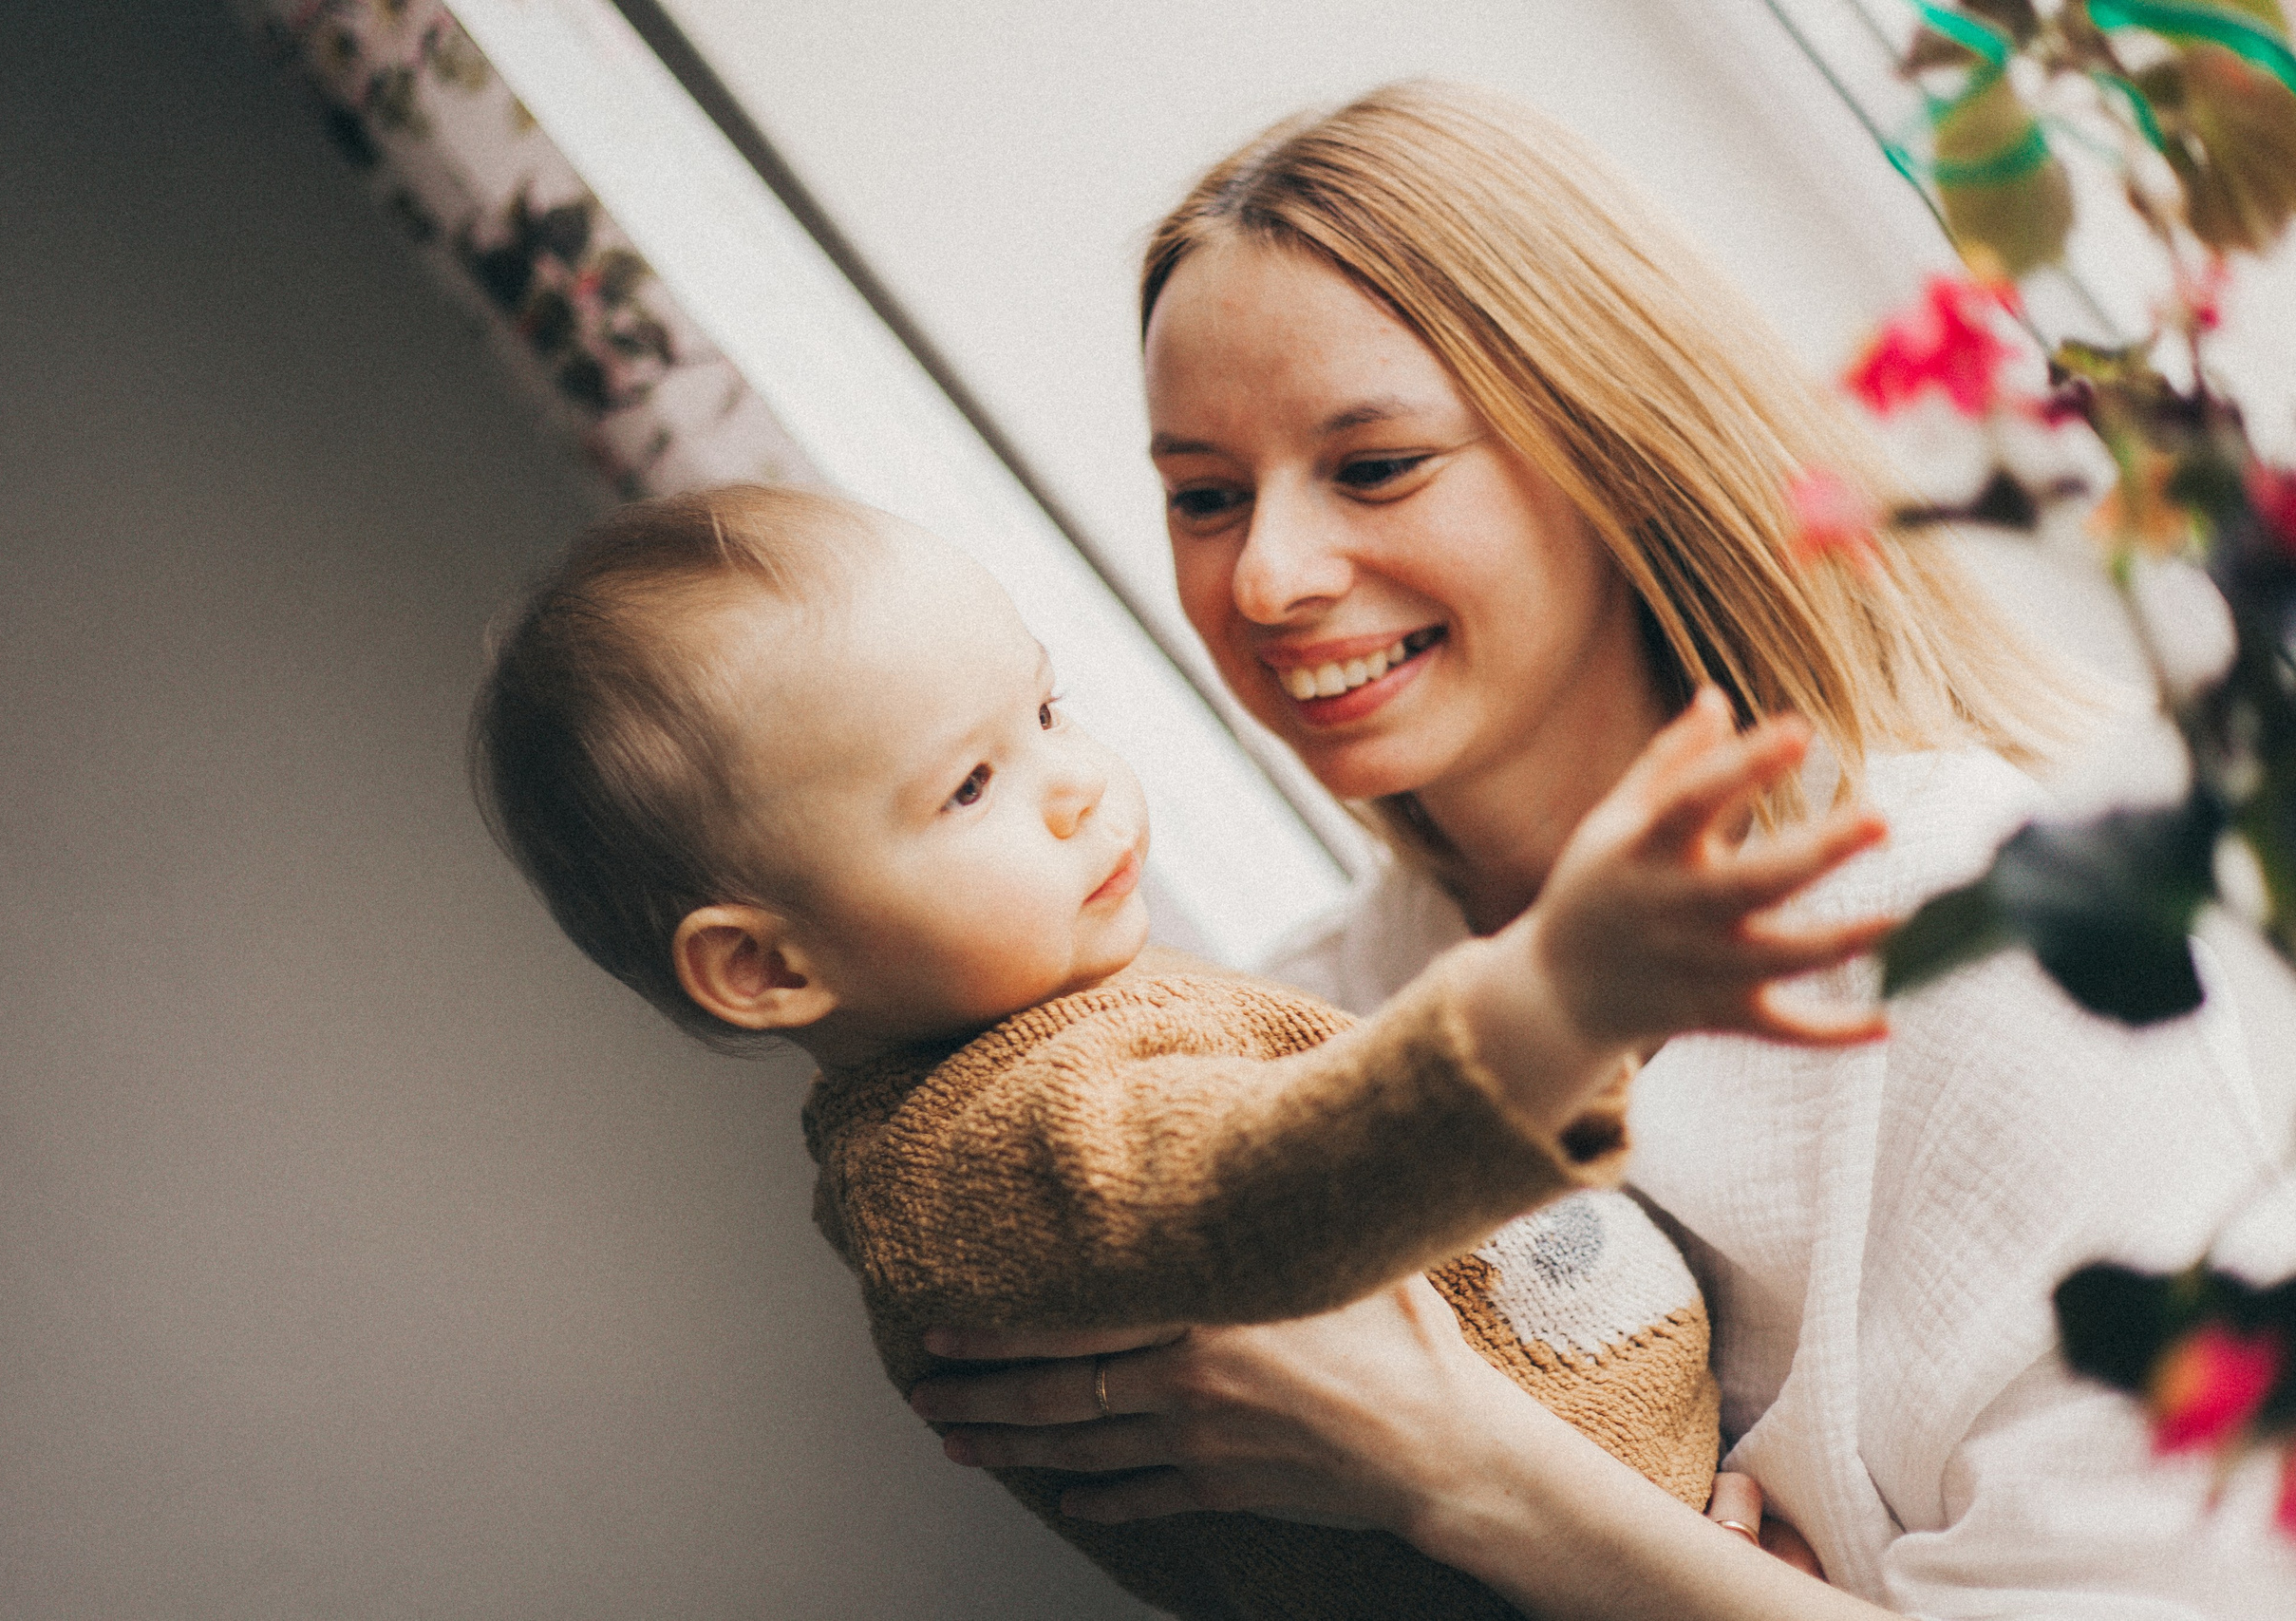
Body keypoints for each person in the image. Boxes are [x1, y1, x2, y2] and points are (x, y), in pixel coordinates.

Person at [905, 83, 2290, 1617]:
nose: (1273, 577)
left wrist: (1464, 1472)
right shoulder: (1299, 1035)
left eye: (1375, 467)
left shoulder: (2014, 929)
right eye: (1205, 497)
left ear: (1613, 448)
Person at [469, 481, 1902, 1618]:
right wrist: (1558, 1000)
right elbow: (1272, 1194)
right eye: (971, 785)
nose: (1076, 782)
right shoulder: (979, 1156)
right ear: (768, 965)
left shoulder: (1059, 1026)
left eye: (1045, 712)